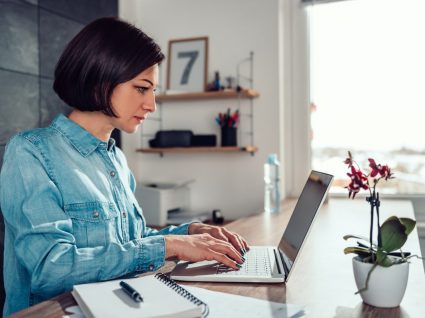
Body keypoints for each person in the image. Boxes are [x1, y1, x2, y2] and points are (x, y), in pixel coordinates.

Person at [0, 17, 248, 316]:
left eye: (153, 91)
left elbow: (131, 240)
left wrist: (191, 232)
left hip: (117, 306)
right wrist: (168, 245)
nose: (151, 105)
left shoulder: (115, 157)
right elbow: (51, 268)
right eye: (142, 88)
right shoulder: (30, 152)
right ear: (100, 79)